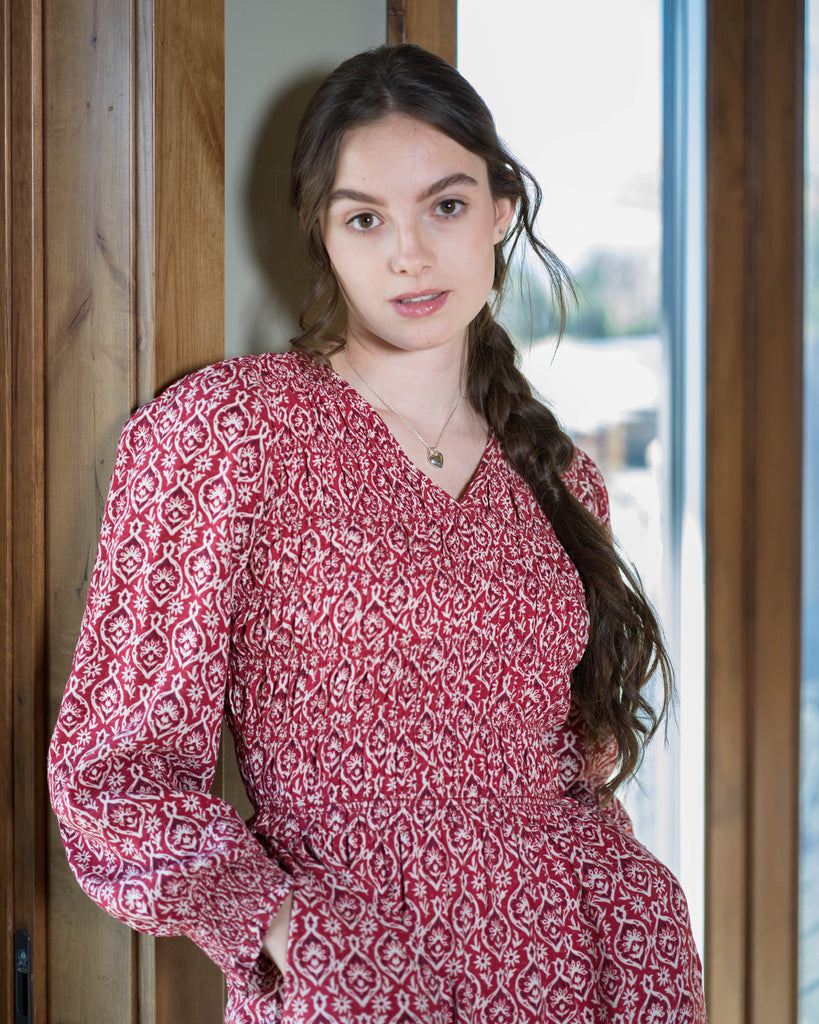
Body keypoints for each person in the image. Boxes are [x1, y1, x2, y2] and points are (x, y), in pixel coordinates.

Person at [48, 43, 706, 1024]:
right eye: (367, 217)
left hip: (599, 962)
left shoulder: (561, 476)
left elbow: (579, 757)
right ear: (323, 234)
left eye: (444, 205)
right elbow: (115, 772)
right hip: (354, 981)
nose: (410, 252)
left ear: (500, 212)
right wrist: (283, 928)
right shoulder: (227, 432)